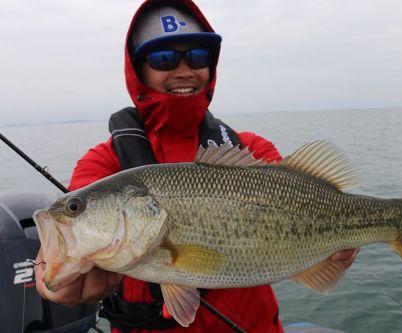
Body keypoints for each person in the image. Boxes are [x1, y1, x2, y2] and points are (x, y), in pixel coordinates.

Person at [35, 0, 358, 332]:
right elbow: (59, 251)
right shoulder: (105, 164)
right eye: (164, 58)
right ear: (138, 69)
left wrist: (330, 255)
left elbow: (309, 220)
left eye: (198, 56)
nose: (184, 69)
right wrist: (51, 274)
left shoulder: (253, 150)